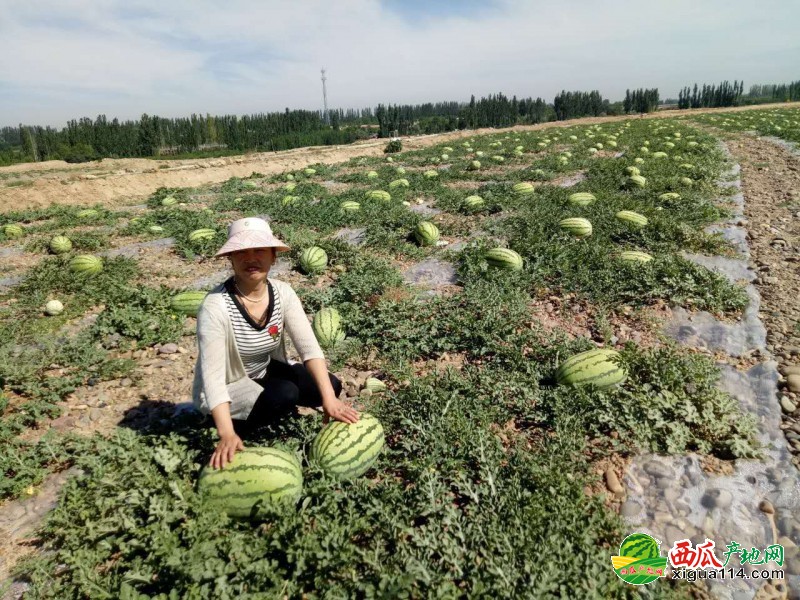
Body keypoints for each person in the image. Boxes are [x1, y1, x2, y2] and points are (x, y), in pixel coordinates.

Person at [192, 217, 359, 469]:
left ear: (273, 256)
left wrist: (328, 399)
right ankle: (228, 423)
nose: (251, 258)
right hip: (228, 386)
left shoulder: (283, 293)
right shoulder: (215, 307)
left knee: (329, 385)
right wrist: (225, 432)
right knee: (285, 394)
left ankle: (268, 403)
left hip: (263, 369)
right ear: (231, 259)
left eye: (259, 249)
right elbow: (213, 378)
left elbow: (309, 349)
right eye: (241, 252)